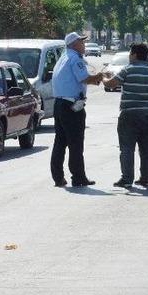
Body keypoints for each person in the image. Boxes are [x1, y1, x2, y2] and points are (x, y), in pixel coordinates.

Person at [104, 43, 148, 188]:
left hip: (129, 115)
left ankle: (126, 179)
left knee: (126, 148)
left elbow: (110, 85)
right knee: (146, 147)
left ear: (134, 55)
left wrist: (105, 78)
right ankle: (146, 178)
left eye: (130, 53)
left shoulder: (127, 70)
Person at [50, 32, 105, 187]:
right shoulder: (75, 59)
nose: (84, 44)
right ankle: (78, 177)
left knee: (60, 142)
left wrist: (95, 79)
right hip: (71, 107)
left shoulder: (63, 58)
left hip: (60, 104)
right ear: (74, 44)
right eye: (81, 42)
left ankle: (58, 177)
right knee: (75, 143)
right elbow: (85, 78)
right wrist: (100, 76)